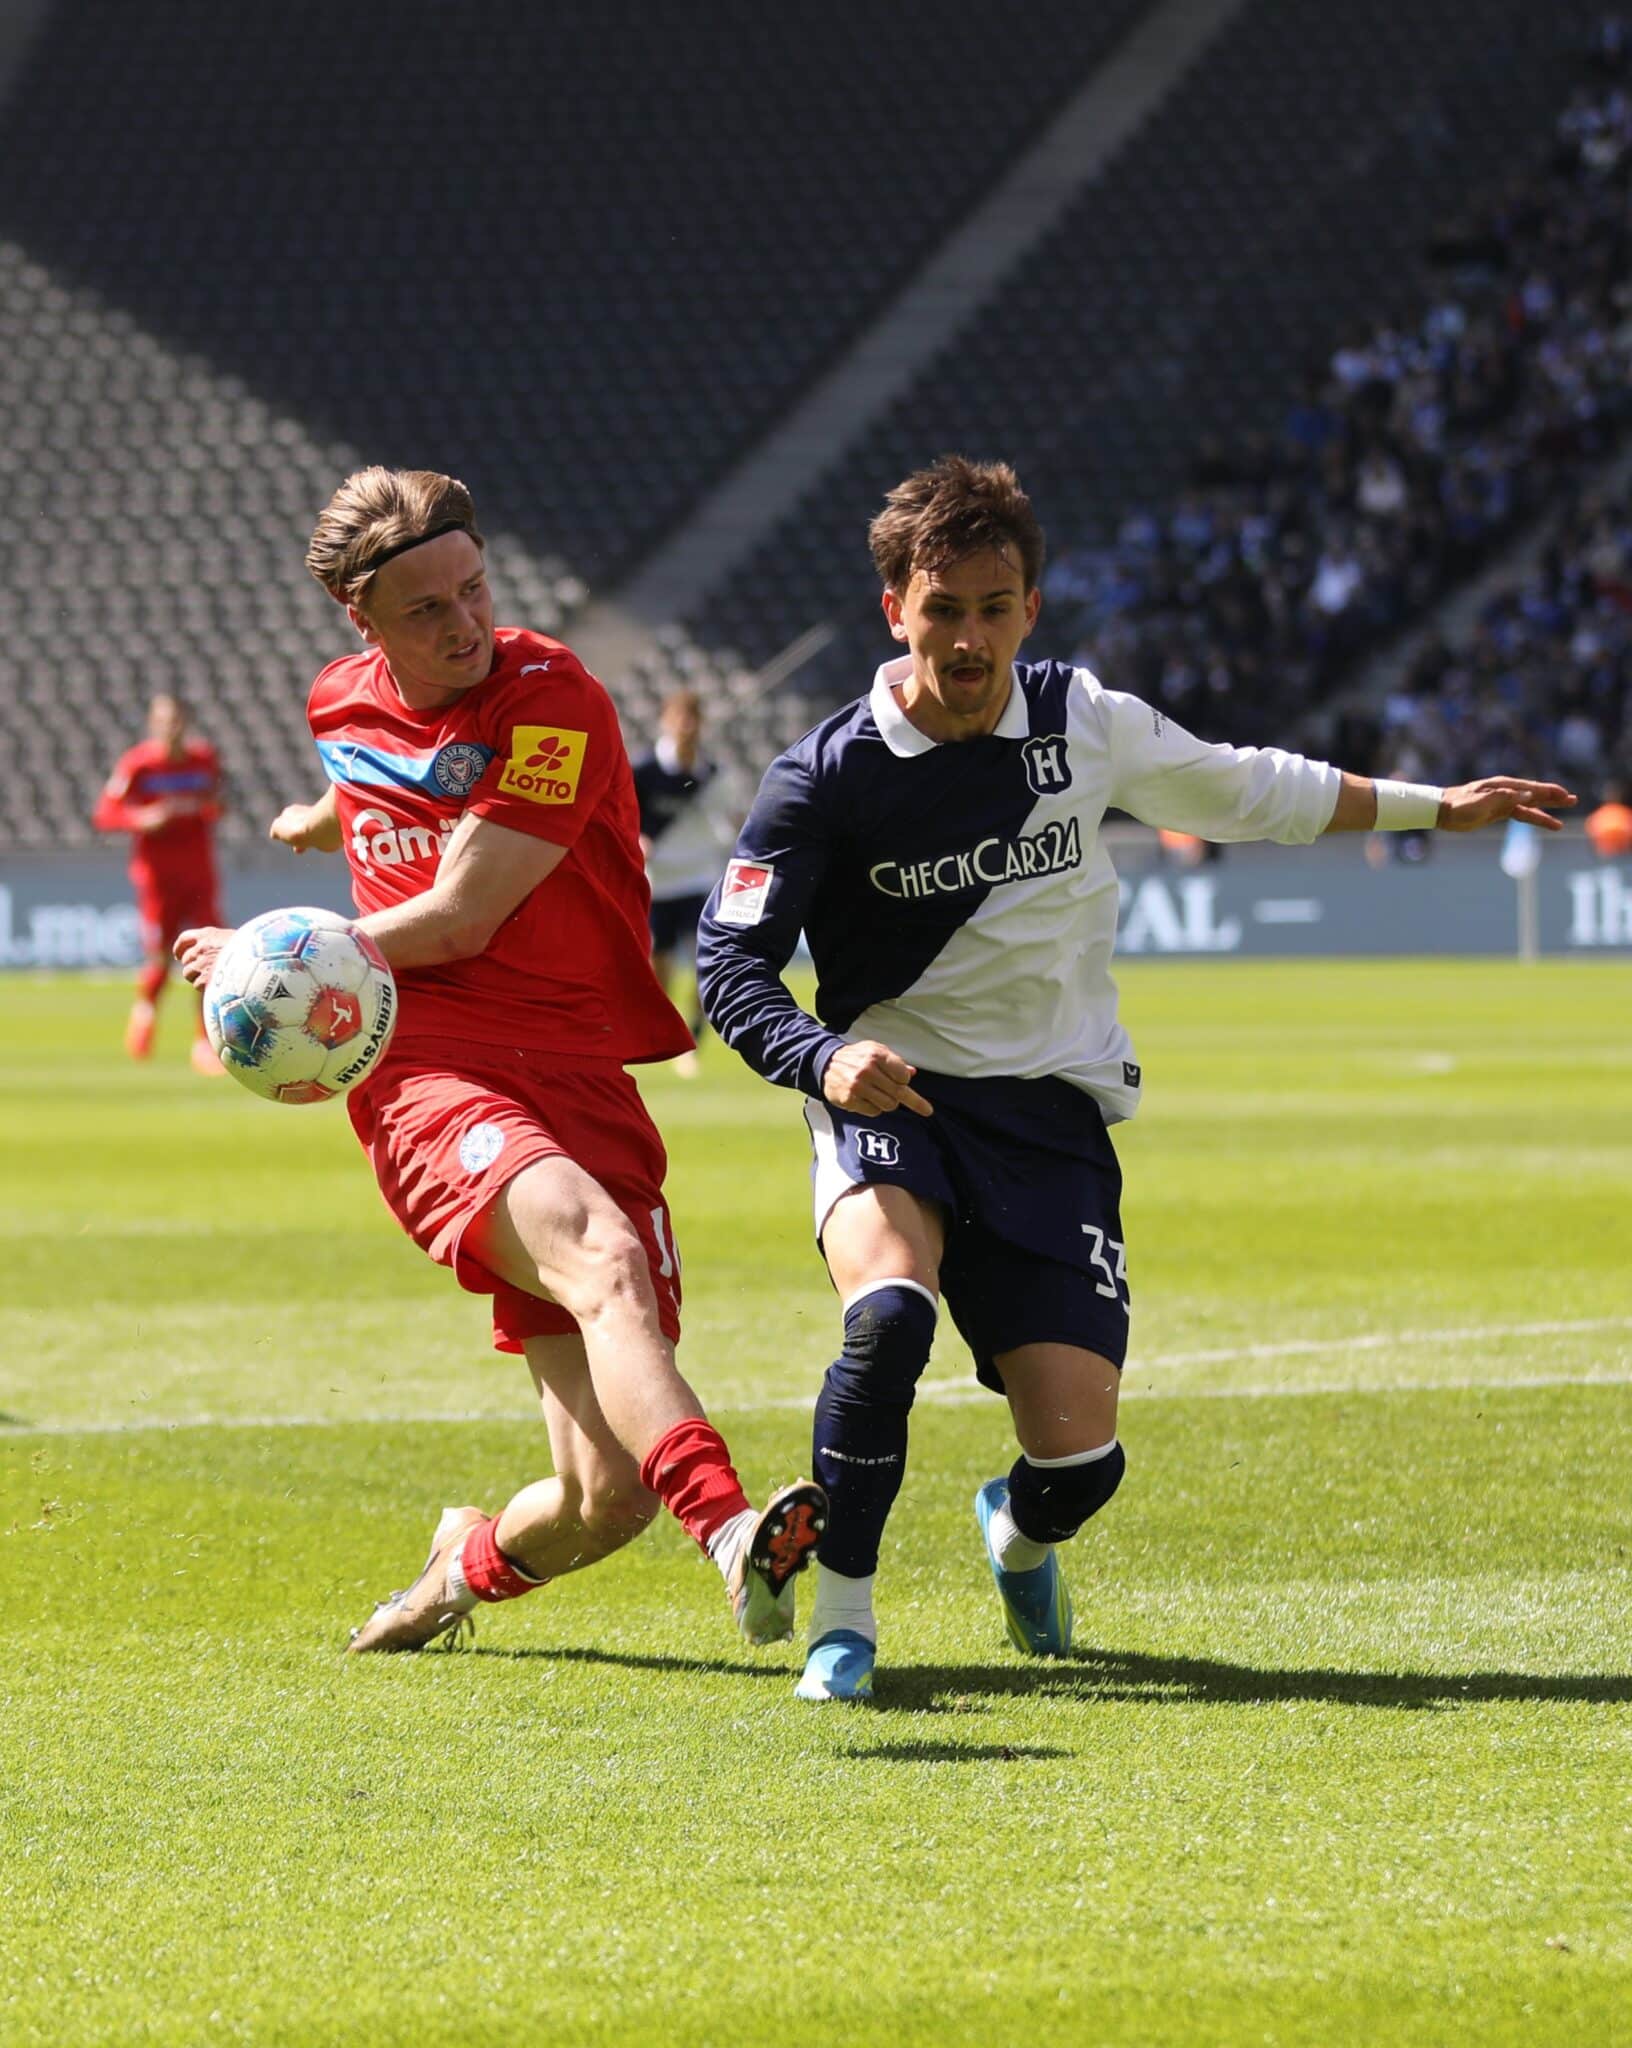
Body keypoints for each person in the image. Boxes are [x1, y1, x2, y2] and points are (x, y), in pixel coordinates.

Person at [696, 454, 1575, 1704]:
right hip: (895, 1095)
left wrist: (1437, 807)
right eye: (942, 609)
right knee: (887, 1316)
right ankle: (842, 1620)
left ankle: (1017, 1532)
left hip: (1048, 1113)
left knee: (1080, 1462)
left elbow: (1248, 788)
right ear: (895, 609)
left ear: (1031, 608)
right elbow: (729, 963)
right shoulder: (826, 773)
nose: (968, 638)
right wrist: (826, 1056)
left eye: (993, 607)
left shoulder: (1083, 722)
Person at [175, 467, 824, 1654]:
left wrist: (272, 950)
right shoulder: (337, 700)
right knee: (602, 1254)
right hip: (426, 1067)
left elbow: (466, 909)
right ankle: (736, 1534)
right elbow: (376, 764)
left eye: (474, 588)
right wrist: (321, 820)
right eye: (425, 610)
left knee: (603, 1497)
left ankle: (455, 1571)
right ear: (362, 620)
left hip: (582, 1070)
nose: (464, 623)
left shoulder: (552, 697)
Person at [93, 693, 226, 1075]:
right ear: (153, 724)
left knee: (208, 957)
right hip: (157, 878)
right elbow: (106, 813)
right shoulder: (138, 764)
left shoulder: (204, 760)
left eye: (177, 720)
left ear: (186, 723)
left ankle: (205, 1042)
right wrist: (143, 818)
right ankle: (145, 1013)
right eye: (165, 721)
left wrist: (205, 809)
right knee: (159, 959)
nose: (172, 728)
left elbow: (218, 803)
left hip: (198, 874)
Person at [630, 687, 738, 1072]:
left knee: (704, 961)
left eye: (693, 718)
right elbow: (624, 814)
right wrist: (638, 838)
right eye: (680, 718)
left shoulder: (712, 774)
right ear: (666, 720)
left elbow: (730, 818)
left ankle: (693, 1036)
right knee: (659, 966)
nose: (686, 726)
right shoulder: (644, 771)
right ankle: (666, 1033)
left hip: (700, 880)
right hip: (659, 881)